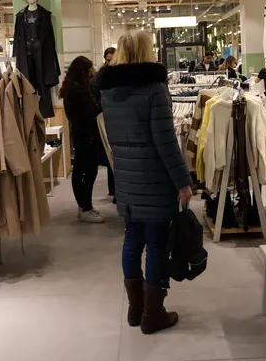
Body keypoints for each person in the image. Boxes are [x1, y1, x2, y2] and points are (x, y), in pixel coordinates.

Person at [97, 30, 194, 335]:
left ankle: (135, 308)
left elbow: (113, 140)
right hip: (154, 179)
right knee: (155, 244)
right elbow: (166, 142)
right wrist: (183, 181)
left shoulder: (108, 91)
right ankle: (154, 312)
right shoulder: (155, 89)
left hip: (126, 178)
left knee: (131, 240)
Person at [60, 56, 105, 223]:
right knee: (88, 171)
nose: (91, 73)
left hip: (81, 134)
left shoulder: (72, 88)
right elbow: (92, 111)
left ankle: (84, 206)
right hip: (86, 135)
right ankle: (85, 207)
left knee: (81, 170)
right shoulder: (77, 91)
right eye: (89, 70)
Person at [93, 47, 117, 199]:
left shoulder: (121, 73)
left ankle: (118, 190)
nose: (110, 62)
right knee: (111, 154)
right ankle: (114, 190)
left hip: (118, 118)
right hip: (106, 118)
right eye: (108, 59)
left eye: (112, 59)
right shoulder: (101, 75)